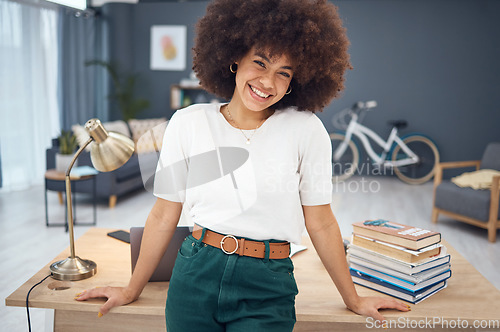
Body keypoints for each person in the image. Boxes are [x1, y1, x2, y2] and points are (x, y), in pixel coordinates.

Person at [76, 0, 410, 330]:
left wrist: (353, 299)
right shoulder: (188, 122)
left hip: (267, 282)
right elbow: (164, 214)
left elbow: (321, 223)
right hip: (195, 274)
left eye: (283, 73)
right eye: (260, 63)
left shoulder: (306, 129)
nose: (267, 82)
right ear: (235, 58)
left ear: (295, 82)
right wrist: (132, 289)